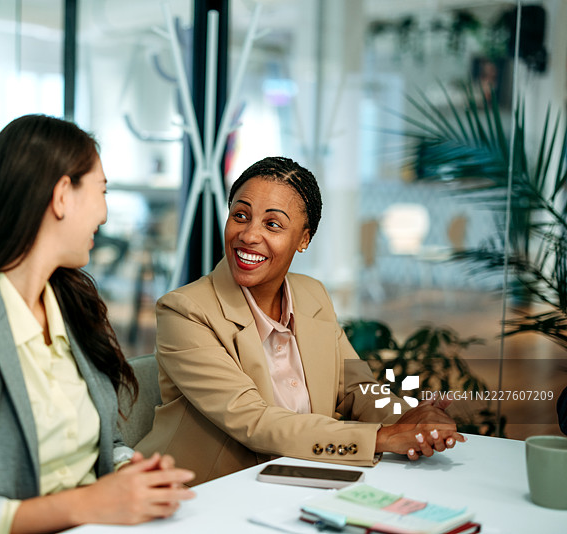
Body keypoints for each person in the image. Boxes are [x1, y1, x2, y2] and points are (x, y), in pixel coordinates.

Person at [0, 115, 195, 534]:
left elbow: (102, 444)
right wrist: (86, 504)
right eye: (102, 191)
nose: (105, 212)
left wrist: (135, 472)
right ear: (62, 195)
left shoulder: (74, 306)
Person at [137, 156, 465, 485]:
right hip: (206, 493)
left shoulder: (312, 295)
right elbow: (255, 422)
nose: (249, 235)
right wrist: (383, 437)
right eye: (240, 216)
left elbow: (355, 388)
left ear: (304, 239)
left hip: (299, 479)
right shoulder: (184, 311)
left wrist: (410, 421)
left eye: (272, 224)